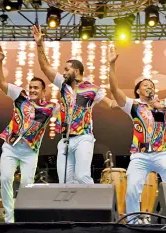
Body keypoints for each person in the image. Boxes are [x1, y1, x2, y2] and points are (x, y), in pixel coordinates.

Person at [108, 46, 166, 224]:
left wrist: (165, 113)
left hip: (162, 152)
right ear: (138, 91)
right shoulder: (133, 105)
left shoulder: (162, 103)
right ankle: (133, 222)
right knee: (133, 189)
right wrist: (112, 65)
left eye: (152, 86)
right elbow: (115, 90)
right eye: (145, 85)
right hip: (140, 155)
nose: (149, 87)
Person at [31, 25, 116, 184]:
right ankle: (73, 209)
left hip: (84, 137)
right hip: (65, 140)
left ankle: (96, 209)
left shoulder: (92, 89)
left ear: (76, 71)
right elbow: (45, 66)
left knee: (82, 176)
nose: (63, 72)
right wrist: (39, 44)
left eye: (66, 69)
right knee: (65, 181)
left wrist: (133, 104)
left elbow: (111, 104)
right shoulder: (63, 84)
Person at [0, 44, 58, 223]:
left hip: (30, 152)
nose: (32, 90)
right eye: (30, 87)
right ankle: (9, 218)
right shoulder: (20, 96)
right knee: (5, 178)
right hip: (11, 145)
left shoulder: (50, 108)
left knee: (26, 186)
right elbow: (1, 83)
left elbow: (68, 112)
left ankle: (23, 217)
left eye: (36, 88)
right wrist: (0, 62)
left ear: (43, 91)